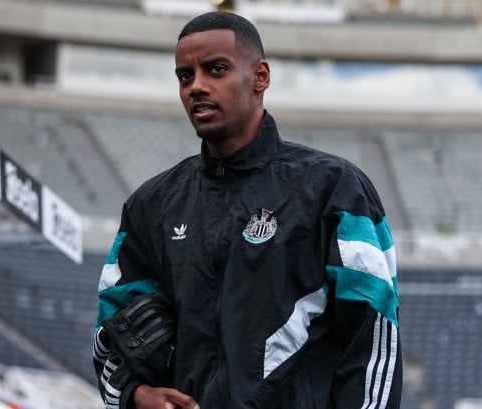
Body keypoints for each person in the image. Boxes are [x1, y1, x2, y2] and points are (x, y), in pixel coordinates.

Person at [93, 11, 402, 409]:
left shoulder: (334, 190)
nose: (196, 86)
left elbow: (374, 335)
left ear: (260, 76)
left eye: (216, 69)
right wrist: (135, 395)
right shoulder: (150, 206)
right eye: (185, 76)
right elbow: (111, 326)